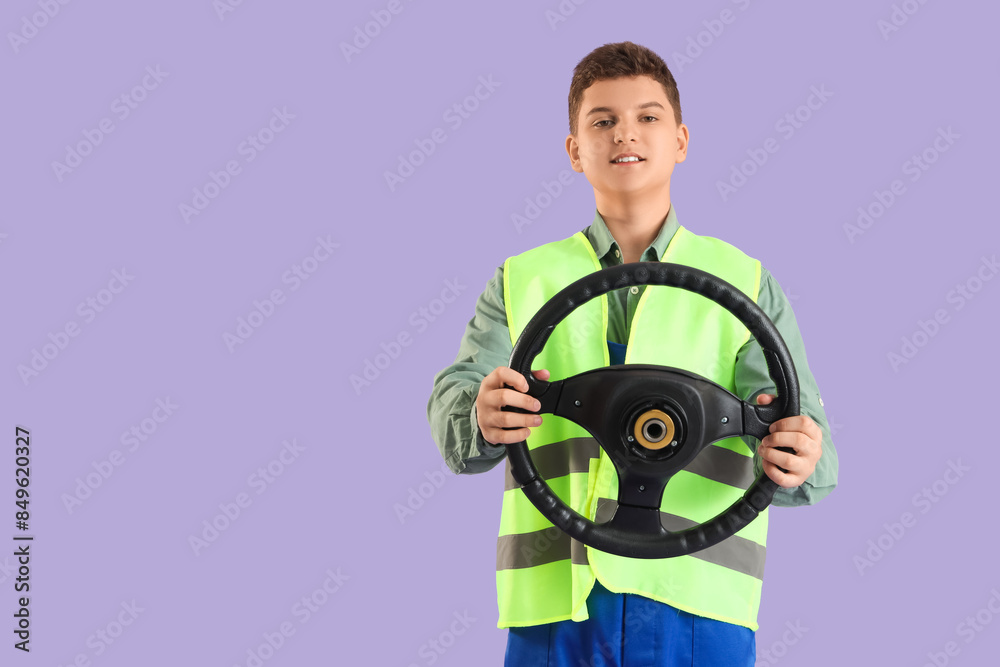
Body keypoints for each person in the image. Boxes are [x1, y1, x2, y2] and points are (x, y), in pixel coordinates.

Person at [426, 41, 838, 666]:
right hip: (554, 609)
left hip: (698, 605)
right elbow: (458, 410)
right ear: (574, 150)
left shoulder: (746, 282)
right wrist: (478, 416)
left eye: (648, 117)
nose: (626, 133)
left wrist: (799, 453)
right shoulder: (519, 279)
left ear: (681, 139)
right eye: (602, 120)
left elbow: (813, 453)